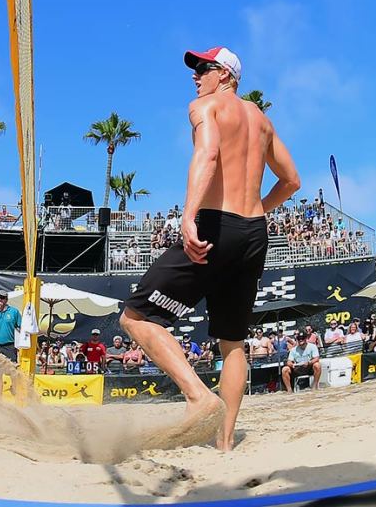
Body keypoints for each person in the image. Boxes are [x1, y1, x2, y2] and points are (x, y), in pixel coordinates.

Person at [122, 46, 300, 451]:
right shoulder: (261, 120)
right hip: (254, 232)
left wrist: (188, 216)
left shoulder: (205, 108)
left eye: (203, 68)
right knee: (232, 342)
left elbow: (208, 153)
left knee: (135, 318)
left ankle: (197, 396)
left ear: (225, 75)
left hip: (216, 225)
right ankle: (223, 443)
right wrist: (255, 212)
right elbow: (291, 181)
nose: (195, 76)